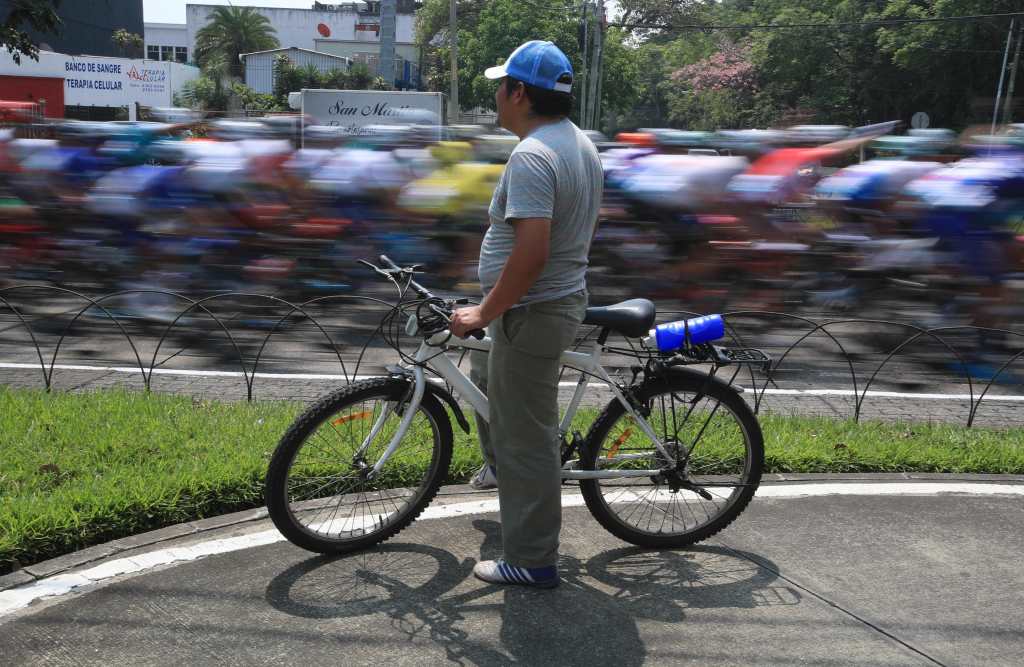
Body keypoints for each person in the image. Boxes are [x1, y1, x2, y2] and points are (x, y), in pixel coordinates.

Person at [449, 40, 603, 589]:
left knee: (527, 439)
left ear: (518, 92)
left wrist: (484, 311)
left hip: (532, 312)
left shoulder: (534, 156)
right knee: (485, 377)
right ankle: (499, 467)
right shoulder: (575, 142)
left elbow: (531, 253)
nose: (495, 94)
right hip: (534, 306)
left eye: (500, 84)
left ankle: (532, 559)